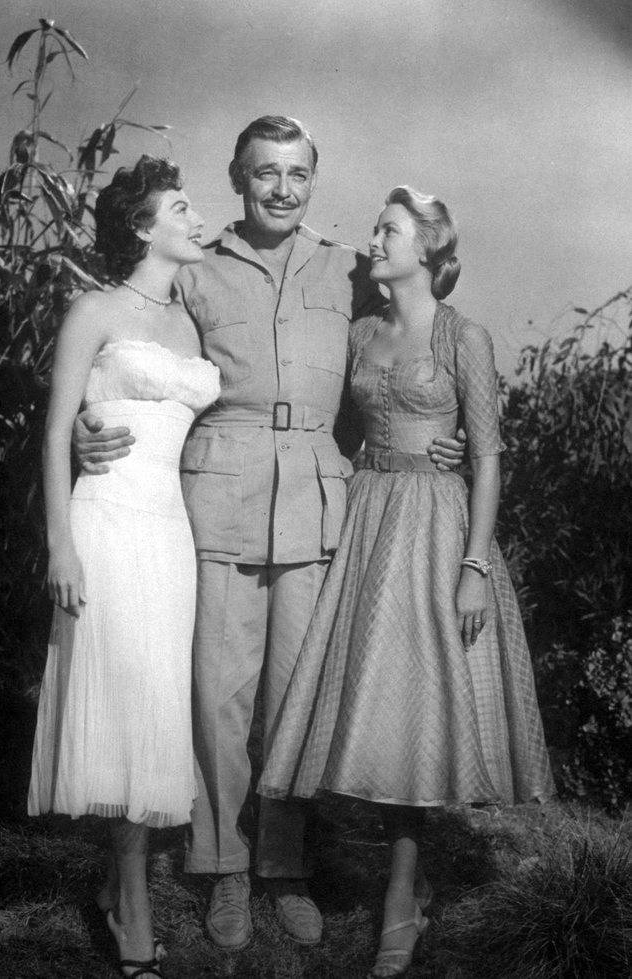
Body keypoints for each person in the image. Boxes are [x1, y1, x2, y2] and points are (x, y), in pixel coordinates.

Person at [73, 118, 466, 950]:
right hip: (219, 497)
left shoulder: (347, 269)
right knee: (220, 698)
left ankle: (284, 866)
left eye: (297, 174)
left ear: (313, 180)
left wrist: (441, 430)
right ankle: (220, 863)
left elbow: (409, 344)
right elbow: (127, 347)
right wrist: (85, 422)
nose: (282, 190)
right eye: (265, 174)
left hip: (318, 504)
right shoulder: (197, 267)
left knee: (296, 700)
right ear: (237, 178)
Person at [258, 186, 556, 979]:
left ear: (427, 246)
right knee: (383, 702)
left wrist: (474, 566)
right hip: (368, 519)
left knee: (423, 702)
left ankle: (400, 889)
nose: (373, 239)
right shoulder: (360, 331)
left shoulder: (465, 335)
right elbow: (341, 428)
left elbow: (488, 457)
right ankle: (401, 877)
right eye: (375, 228)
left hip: (437, 529)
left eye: (388, 229)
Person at [28, 156, 221, 979]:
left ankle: (118, 883)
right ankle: (134, 910)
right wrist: (60, 544)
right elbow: (55, 431)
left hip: (169, 535)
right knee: (120, 703)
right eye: (181, 207)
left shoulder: (192, 321)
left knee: (153, 701)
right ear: (143, 226)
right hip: (104, 524)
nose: (197, 217)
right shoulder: (94, 309)